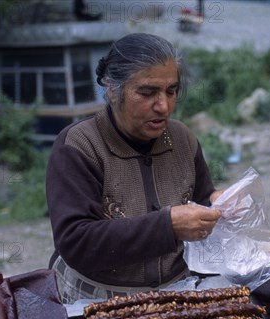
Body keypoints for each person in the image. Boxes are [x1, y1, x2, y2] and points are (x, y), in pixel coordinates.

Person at [46, 33, 223, 303]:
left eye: (171, 91)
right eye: (147, 92)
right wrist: (167, 226)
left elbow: (201, 199)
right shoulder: (79, 146)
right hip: (96, 299)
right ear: (113, 90)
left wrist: (217, 203)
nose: (163, 106)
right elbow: (76, 242)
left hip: (177, 290)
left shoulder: (182, 139)